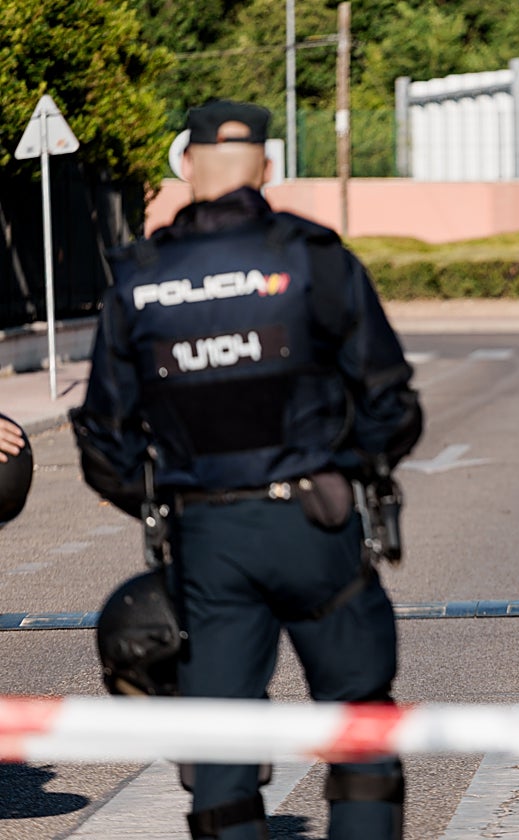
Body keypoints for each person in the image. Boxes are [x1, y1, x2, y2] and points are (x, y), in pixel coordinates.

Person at [71, 100, 422, 839]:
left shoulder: (138, 280)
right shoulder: (312, 257)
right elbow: (391, 402)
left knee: (220, 746)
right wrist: (349, 466)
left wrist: (161, 501)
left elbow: (103, 438)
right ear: (266, 168)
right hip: (314, 521)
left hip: (207, 539)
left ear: (186, 167)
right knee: (360, 720)